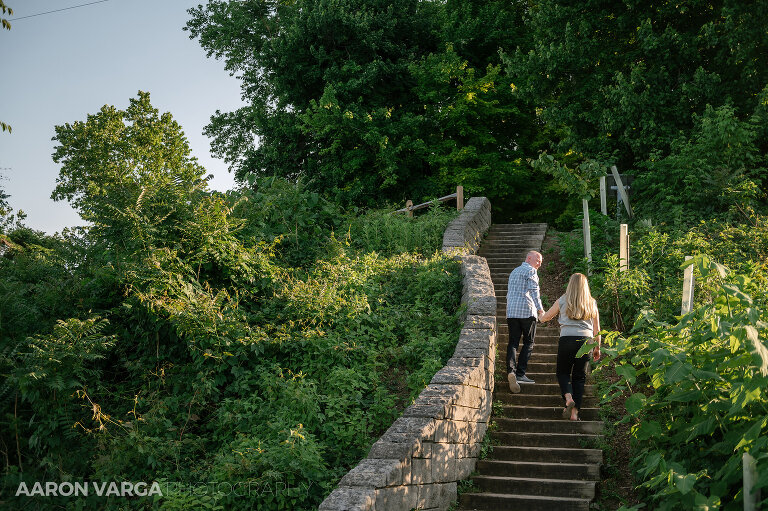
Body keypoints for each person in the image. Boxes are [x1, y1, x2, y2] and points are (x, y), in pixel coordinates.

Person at [538, 273, 601, 421]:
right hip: (586, 341)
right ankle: (574, 413)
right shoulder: (592, 302)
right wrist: (597, 348)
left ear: (570, 285)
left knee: (563, 372)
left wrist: (541, 314)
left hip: (566, 339)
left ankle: (568, 398)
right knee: (579, 376)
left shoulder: (563, 300)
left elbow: (546, 317)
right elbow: (597, 329)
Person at [505, 250, 545, 393]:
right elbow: (534, 291)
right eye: (538, 260)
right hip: (527, 312)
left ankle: (511, 371)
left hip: (511, 313)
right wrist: (540, 310)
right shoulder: (531, 271)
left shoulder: (514, 271)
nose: (540, 263)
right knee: (529, 342)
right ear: (529, 258)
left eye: (540, 261)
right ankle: (520, 374)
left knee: (513, 343)